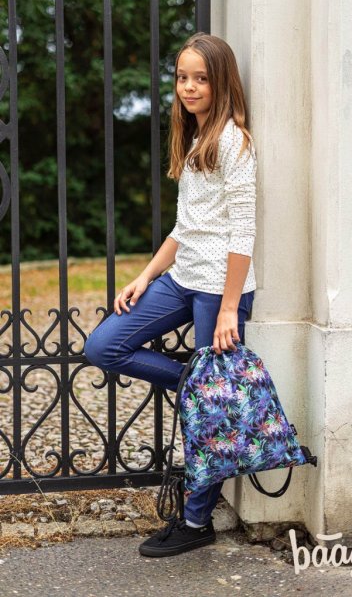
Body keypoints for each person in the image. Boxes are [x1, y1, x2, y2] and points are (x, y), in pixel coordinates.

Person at [84, 31, 257, 558]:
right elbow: (186, 227)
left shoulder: (233, 141)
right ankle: (194, 381)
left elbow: (243, 231)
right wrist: (145, 276)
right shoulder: (195, 135)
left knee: (208, 417)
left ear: (221, 82)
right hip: (181, 279)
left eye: (201, 78)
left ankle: (197, 520)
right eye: (183, 77)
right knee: (103, 345)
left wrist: (229, 307)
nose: (189, 87)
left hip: (218, 291)